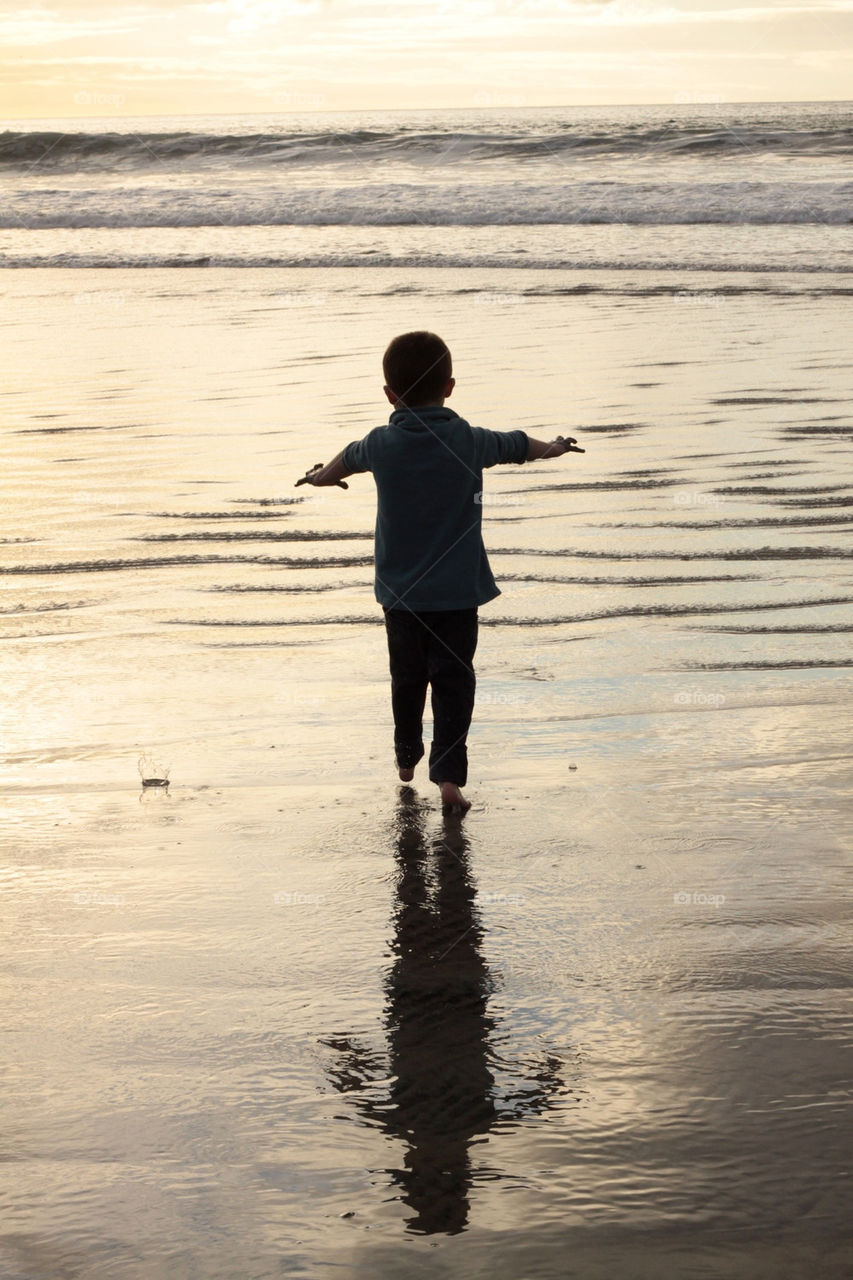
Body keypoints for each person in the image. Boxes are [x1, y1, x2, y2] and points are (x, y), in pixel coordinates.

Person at [296, 330, 584, 815]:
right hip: (456, 595)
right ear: (449, 387)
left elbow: (346, 458)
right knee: (454, 681)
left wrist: (319, 476)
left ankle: (407, 757)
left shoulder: (380, 444)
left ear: (389, 394)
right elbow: (517, 445)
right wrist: (554, 447)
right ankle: (449, 781)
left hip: (401, 597)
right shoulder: (469, 441)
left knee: (406, 678)